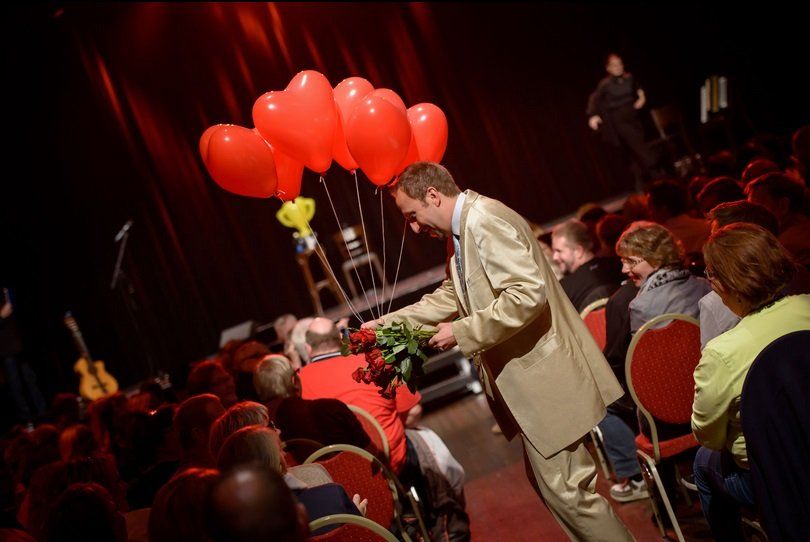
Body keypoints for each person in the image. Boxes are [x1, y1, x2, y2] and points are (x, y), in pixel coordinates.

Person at [363, 162, 632, 541]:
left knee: (571, 496)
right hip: (534, 385)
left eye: (413, 215)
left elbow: (527, 295)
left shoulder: (484, 220)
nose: (414, 227)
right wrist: (389, 325)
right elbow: (452, 295)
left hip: (546, 380)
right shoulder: (463, 229)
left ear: (433, 196)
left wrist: (460, 331)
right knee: (562, 494)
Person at [692, 224, 810, 541]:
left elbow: (709, 436)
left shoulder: (721, 353)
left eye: (711, 275)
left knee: (703, 462)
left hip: (778, 479)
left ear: (726, 284)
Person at [587, 53, 658, 190]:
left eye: (620, 64)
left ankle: (642, 185)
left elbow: (639, 89)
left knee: (635, 150)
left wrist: (641, 98)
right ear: (608, 68)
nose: (618, 67)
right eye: (614, 65)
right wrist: (593, 115)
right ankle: (658, 173)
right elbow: (594, 99)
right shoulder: (605, 84)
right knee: (639, 147)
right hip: (619, 119)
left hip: (634, 117)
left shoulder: (629, 78)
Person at [551, 219, 624, 312]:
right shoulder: (618, 265)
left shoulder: (564, 288)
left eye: (559, 251)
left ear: (578, 251)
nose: (554, 257)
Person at [1, 289, 46, 428]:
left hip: (19, 344)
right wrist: (1, 315)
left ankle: (43, 413)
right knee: (16, 386)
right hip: (5, 349)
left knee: (31, 379)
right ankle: (28, 420)